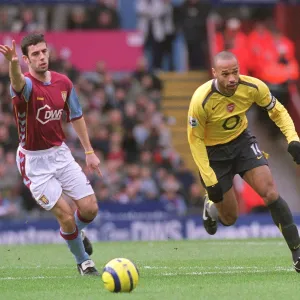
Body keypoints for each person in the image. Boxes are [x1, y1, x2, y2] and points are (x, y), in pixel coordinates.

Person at [187, 51, 300, 273]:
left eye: (235, 72)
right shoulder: (201, 99)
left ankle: (297, 252)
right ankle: (210, 204)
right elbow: (195, 140)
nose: (232, 79)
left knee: (270, 193)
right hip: (212, 153)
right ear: (214, 73)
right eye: (225, 74)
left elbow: (277, 111)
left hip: (241, 143)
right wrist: (210, 179)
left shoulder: (253, 87)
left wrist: (293, 138)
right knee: (229, 218)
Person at [0, 33, 101, 276]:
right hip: (34, 162)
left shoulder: (64, 83)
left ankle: (75, 233)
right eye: (35, 54)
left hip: (60, 154)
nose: (42, 57)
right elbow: (17, 83)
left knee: (89, 209)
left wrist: (89, 151)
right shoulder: (26, 85)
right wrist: (13, 65)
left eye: (44, 51)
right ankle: (83, 261)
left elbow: (76, 116)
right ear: (26, 59)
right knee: (65, 215)